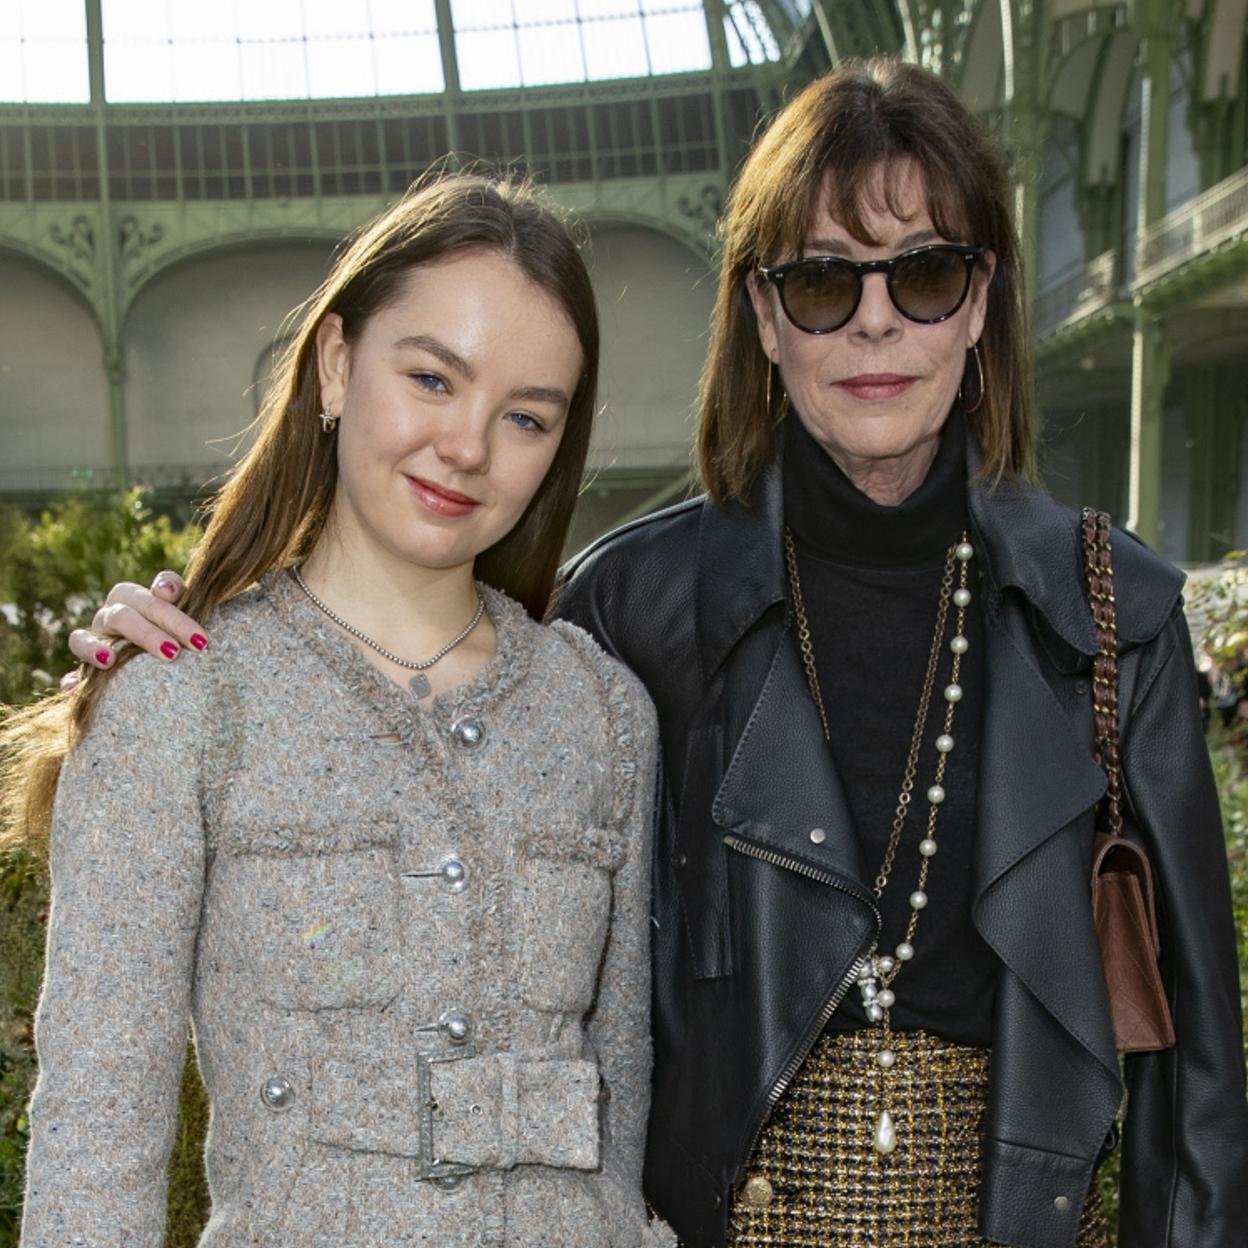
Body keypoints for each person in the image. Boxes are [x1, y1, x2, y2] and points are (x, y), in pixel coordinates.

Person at [62, 60, 1248, 1248]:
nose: (877, 322)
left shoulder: (1107, 611)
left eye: (926, 275)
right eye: (826, 284)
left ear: (982, 301)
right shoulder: (635, 609)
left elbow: (1197, 1061)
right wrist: (185, 659)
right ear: (766, 318)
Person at [2, 172, 674, 1248]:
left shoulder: (602, 712)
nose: (468, 447)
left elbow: (624, 1100)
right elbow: (95, 1133)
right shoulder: (181, 698)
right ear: (335, 363)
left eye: (525, 416)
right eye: (431, 378)